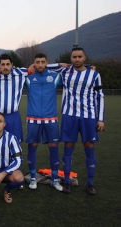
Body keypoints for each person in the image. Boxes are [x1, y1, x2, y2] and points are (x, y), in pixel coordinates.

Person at [56, 47, 105, 195]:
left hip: (88, 116)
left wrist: (100, 119)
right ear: (71, 59)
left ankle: (90, 183)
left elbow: (100, 96)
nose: (77, 59)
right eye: (74, 57)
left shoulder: (94, 74)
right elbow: (46, 66)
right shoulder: (65, 72)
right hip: (69, 115)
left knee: (89, 146)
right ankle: (66, 181)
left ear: (84, 57)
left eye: (79, 57)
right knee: (68, 146)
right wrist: (61, 64)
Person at [25, 53, 63, 191]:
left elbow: (73, 71)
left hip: (51, 119)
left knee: (53, 147)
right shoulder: (28, 78)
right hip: (33, 119)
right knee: (32, 147)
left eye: (42, 62)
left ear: (46, 63)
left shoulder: (55, 77)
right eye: (37, 62)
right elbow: (15, 71)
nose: (40, 65)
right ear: (33, 63)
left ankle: (55, 179)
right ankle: (33, 178)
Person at [0, 54, 29, 142]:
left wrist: (59, 65)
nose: (5, 67)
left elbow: (37, 67)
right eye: (3, 64)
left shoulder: (20, 73)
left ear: (12, 65)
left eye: (8, 64)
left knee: (15, 143)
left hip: (13, 116)